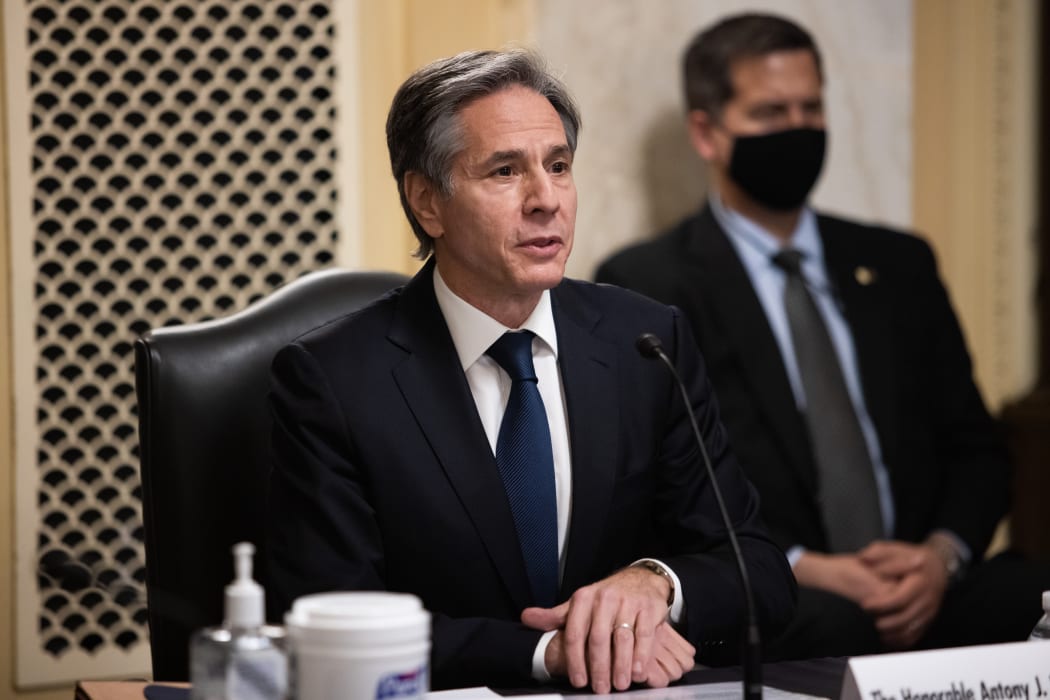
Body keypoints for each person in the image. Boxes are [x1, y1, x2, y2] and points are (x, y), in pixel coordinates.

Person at [265, 49, 795, 692]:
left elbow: (759, 571)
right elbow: (333, 623)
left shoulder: (646, 344)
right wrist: (550, 651)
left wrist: (655, 583)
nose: (546, 200)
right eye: (505, 171)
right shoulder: (332, 381)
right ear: (427, 202)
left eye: (559, 166)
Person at [597, 13, 1049, 659]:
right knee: (825, 623)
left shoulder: (899, 263)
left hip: (929, 587)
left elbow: (975, 446)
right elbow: (661, 488)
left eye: (812, 107)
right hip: (790, 592)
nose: (799, 129)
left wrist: (940, 557)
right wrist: (800, 565)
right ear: (707, 132)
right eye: (771, 112)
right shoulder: (650, 281)